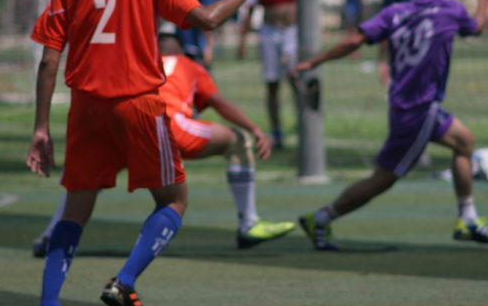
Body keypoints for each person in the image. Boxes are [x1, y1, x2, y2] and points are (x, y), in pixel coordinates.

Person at [27, 0, 279, 306]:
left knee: (73, 213)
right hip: (139, 105)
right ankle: (124, 282)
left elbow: (49, 61)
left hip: (85, 109)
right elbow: (208, 20)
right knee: (174, 201)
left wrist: (41, 129)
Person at [289, 0, 488, 251]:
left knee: (464, 141)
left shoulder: (396, 12)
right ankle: (321, 218)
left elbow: (354, 39)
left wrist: (314, 62)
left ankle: (467, 219)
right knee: (382, 180)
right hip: (418, 111)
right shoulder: (450, 10)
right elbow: (477, 27)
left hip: (407, 106)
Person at [32, 25, 295, 256]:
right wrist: (254, 128)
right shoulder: (188, 64)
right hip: (168, 126)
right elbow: (217, 102)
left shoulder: (138, 60)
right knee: (237, 143)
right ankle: (248, 223)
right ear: (181, 49)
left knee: (87, 182)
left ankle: (49, 236)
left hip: (126, 127)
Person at [239, 0, 298, 149]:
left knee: (296, 78)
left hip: (292, 31)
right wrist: (243, 40)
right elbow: (250, 7)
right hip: (269, 32)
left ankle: (304, 126)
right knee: (272, 83)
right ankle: (277, 132)